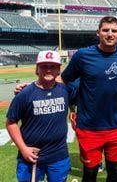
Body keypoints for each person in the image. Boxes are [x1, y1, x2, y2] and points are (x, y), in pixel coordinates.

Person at [61, 16, 117, 182]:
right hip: (90, 127)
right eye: (105, 30)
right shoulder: (82, 55)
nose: (110, 34)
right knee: (90, 173)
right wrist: (33, 87)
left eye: (114, 31)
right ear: (98, 32)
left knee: (114, 173)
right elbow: (63, 80)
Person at [6, 50, 73, 182]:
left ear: (59, 70)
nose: (48, 70)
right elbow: (11, 122)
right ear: (37, 69)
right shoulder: (25, 93)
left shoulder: (65, 90)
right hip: (30, 156)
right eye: (44, 66)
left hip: (58, 156)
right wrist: (23, 149)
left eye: (53, 66)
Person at [67, 78, 117, 173]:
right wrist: (72, 110)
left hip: (111, 112)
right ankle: (98, 161)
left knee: (111, 134)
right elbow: (72, 92)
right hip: (90, 115)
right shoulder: (78, 75)